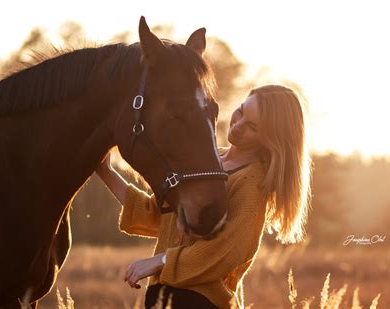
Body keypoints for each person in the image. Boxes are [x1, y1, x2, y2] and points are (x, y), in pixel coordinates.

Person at [96, 84, 311, 309]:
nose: (237, 125)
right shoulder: (205, 159)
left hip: (202, 302)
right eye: (240, 111)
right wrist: (106, 172)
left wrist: (160, 262)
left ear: (270, 138)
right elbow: (159, 216)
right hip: (161, 295)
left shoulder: (252, 183)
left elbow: (222, 252)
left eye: (252, 127)